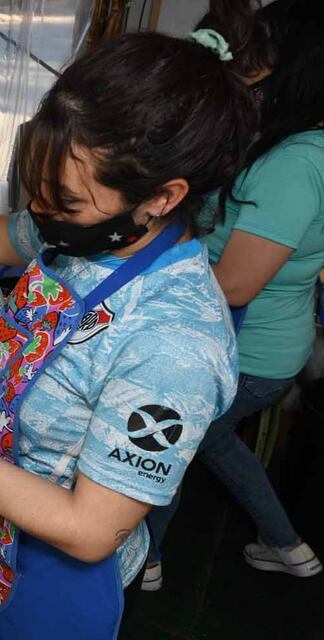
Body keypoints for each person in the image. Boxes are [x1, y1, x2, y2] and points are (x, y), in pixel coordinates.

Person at [0, 27, 256, 636]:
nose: (41, 213)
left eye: (63, 202)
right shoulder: (79, 233)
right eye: (36, 189)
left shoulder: (175, 342)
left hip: (58, 586)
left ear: (162, 198)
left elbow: (91, 529)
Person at [144, 0, 324, 590]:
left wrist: (141, 276)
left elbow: (239, 282)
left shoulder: (295, 164)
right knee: (210, 440)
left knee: (170, 442)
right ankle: (286, 543)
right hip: (273, 343)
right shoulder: (301, 144)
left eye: (263, 51)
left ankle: (146, 559)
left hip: (249, 350)